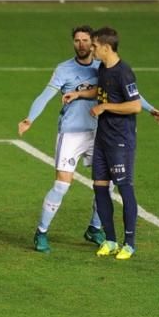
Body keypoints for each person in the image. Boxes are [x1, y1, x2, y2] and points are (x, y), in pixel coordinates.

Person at [18, 26, 159, 253]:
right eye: (77, 41)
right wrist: (30, 118)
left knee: (106, 184)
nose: (83, 45)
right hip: (71, 133)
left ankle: (95, 228)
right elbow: (45, 95)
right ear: (73, 43)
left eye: (87, 41)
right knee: (62, 184)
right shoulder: (64, 69)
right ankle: (41, 232)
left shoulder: (102, 66)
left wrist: (150, 108)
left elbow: (131, 93)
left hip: (99, 133)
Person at [61, 27, 143, 260]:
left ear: (106, 48)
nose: (91, 48)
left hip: (121, 140)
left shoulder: (123, 72)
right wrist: (78, 94)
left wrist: (106, 107)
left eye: (95, 45)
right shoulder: (104, 70)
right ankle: (110, 239)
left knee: (125, 188)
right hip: (102, 139)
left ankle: (129, 243)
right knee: (99, 187)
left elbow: (134, 105)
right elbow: (101, 91)